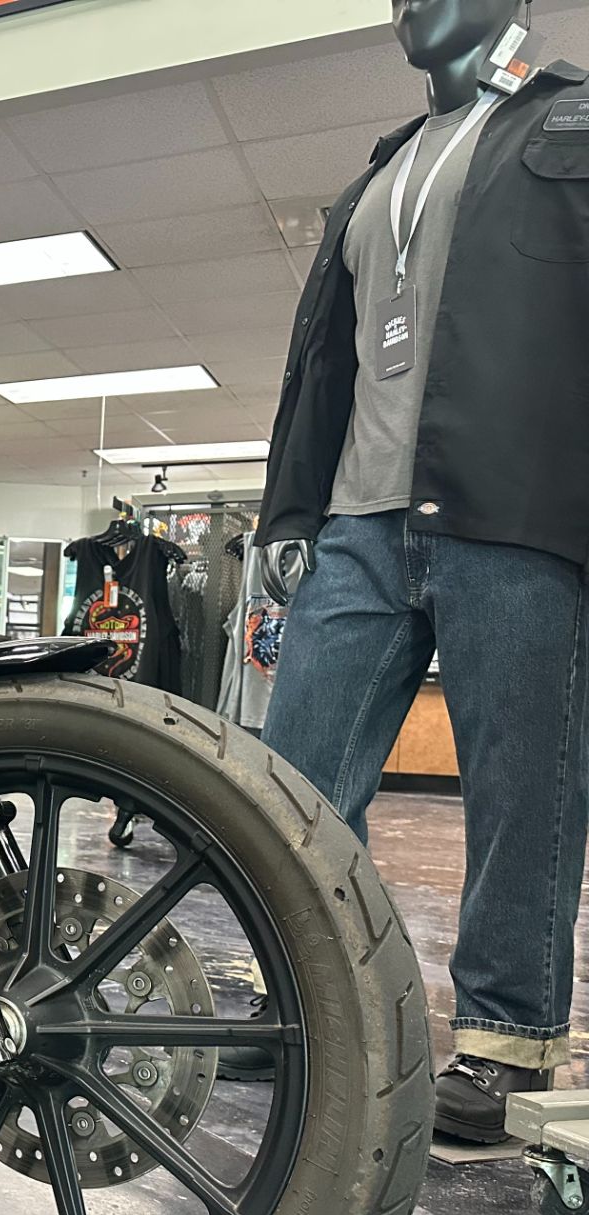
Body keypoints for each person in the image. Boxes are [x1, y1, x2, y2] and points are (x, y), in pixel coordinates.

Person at [257, 0, 584, 1143]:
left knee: (523, 783)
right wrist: (290, 509)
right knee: (293, 780)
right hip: (358, 521)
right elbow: (323, 363)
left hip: (512, 509)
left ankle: (506, 1043)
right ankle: (292, 1003)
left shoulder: (571, 122)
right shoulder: (382, 171)